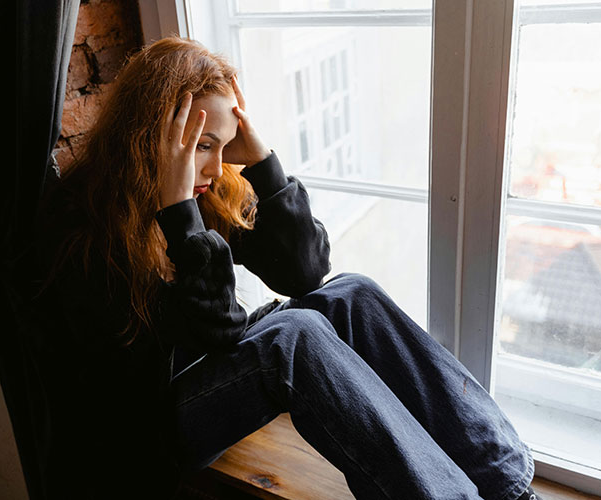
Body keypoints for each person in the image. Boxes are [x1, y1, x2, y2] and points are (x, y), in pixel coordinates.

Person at [31, 36, 541, 499]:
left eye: (224, 145)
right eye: (203, 146)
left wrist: (262, 162)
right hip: (145, 431)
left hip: (200, 372)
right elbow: (216, 331)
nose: (215, 166)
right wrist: (179, 214)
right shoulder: (83, 226)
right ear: (151, 137)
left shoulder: (208, 188)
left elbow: (304, 273)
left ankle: (508, 487)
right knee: (293, 337)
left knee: (351, 294)